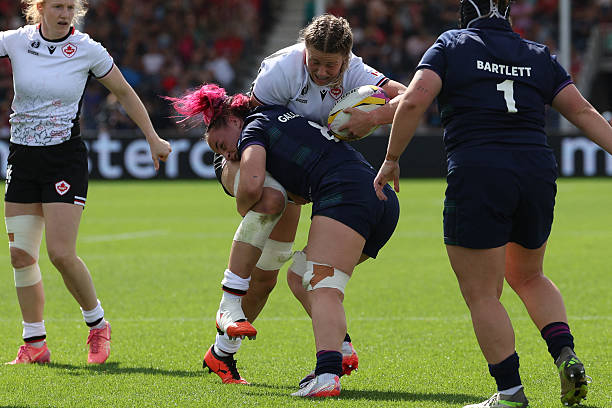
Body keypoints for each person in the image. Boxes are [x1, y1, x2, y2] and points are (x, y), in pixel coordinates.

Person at [373, 1, 612, 406]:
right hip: (536, 172)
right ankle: (564, 353)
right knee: (530, 276)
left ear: (466, 12)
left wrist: (392, 157)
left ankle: (511, 393)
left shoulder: (451, 44)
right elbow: (584, 111)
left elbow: (414, 101)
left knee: (483, 293)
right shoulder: (537, 53)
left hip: (479, 172)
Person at [209, 13, 407, 385]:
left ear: (346, 60)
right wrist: (241, 194)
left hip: (327, 181)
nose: (318, 70)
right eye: (312, 61)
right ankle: (228, 315)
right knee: (281, 242)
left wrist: (375, 117)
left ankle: (233, 347)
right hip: (268, 161)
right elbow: (254, 127)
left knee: (296, 279)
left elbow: (411, 98)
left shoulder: (358, 74)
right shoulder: (280, 71)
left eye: (329, 64)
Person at [169, 83, 399, 396]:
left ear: (235, 121)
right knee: (300, 274)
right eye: (220, 154)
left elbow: (251, 186)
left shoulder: (253, 129)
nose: (227, 154)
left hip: (348, 195)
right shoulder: (283, 114)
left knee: (321, 285)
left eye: (223, 146)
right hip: (382, 199)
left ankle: (327, 374)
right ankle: (339, 348)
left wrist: (242, 207)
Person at [2, 0, 171, 365]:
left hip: (64, 159)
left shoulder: (87, 49)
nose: (65, 13)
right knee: (20, 255)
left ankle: (97, 325)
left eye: (70, 7)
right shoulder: (16, 40)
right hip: (22, 157)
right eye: (58, 6)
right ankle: (34, 343)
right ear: (40, 8)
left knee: (60, 253)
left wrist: (152, 138)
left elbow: (124, 92)